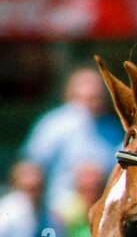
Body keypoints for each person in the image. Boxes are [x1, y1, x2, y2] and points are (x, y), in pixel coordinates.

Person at [21, 66, 122, 215]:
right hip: (56, 212)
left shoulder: (112, 129)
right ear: (70, 95)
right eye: (85, 96)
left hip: (100, 209)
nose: (90, 102)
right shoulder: (54, 124)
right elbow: (30, 168)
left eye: (96, 97)